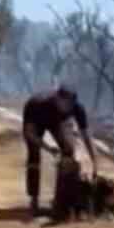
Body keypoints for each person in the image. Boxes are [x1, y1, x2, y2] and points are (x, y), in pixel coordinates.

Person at [21, 84, 98, 216]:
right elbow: (30, 134)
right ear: (57, 99)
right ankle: (34, 199)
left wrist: (94, 160)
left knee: (69, 151)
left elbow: (85, 135)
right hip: (36, 123)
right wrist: (48, 148)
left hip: (56, 123)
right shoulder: (36, 104)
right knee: (34, 156)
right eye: (65, 104)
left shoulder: (77, 108)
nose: (67, 108)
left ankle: (64, 196)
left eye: (70, 105)